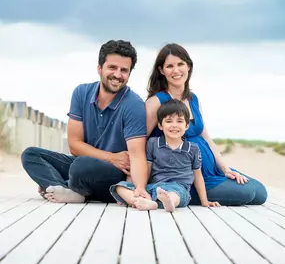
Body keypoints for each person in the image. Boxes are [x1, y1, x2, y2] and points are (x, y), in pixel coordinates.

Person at [21, 40, 151, 203]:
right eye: (112, 67)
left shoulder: (134, 105)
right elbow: (74, 145)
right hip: (91, 162)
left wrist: (139, 188)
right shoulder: (81, 93)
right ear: (99, 68)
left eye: (124, 70)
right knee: (31, 155)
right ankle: (67, 189)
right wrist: (111, 157)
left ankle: (61, 187)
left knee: (81, 166)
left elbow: (137, 155)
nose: (117, 75)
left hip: (112, 174)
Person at [145, 43, 268, 206]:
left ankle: (187, 190)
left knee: (259, 193)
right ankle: (176, 194)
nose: (176, 70)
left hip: (210, 170)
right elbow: (140, 140)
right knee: (248, 193)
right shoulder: (156, 102)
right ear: (161, 70)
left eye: (180, 64)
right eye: (170, 66)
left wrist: (225, 168)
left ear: (188, 66)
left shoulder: (193, 99)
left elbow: (206, 138)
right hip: (185, 176)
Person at [110, 99, 220, 212]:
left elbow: (198, 176)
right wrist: (141, 188)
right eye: (169, 121)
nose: (174, 125)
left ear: (186, 125)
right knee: (120, 186)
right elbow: (147, 168)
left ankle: (167, 202)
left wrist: (204, 201)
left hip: (178, 188)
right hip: (154, 187)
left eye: (179, 121)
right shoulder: (153, 143)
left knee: (174, 195)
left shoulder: (192, 148)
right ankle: (141, 201)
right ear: (160, 125)